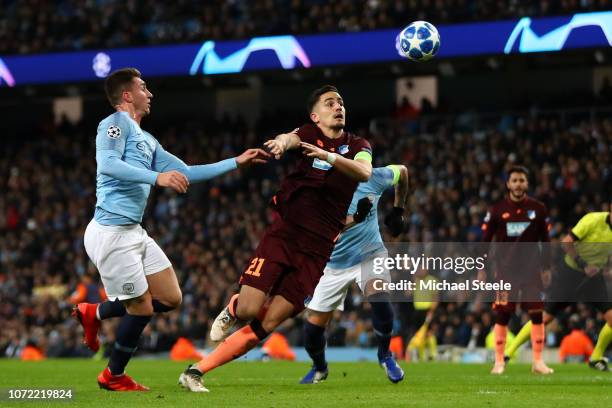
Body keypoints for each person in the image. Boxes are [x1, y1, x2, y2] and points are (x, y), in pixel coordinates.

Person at [74, 67, 268, 391]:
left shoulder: (148, 141)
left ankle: (95, 312)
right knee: (142, 308)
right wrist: (156, 178)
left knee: (170, 297)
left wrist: (236, 161)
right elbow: (107, 164)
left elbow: (188, 171)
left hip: (133, 232)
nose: (149, 93)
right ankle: (113, 376)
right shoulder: (112, 124)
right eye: (143, 87)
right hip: (110, 232)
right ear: (127, 95)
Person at [178, 85, 373, 392]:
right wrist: (281, 145)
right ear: (315, 115)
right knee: (247, 311)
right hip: (285, 235)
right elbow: (290, 138)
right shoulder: (309, 133)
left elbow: (364, 173)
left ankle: (195, 371)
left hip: (316, 253)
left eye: (341, 102)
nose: (338, 107)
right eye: (330, 103)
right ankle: (233, 307)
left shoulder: (358, 144)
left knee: (267, 324)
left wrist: (328, 158)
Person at [300, 163, 409, 384]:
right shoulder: (318, 192)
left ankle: (385, 355)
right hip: (333, 264)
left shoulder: (372, 177)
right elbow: (323, 230)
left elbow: (403, 172)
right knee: (311, 331)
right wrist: (357, 218)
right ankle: (320, 367)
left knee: (381, 302)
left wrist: (398, 210)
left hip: (370, 253)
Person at [505, 204, 612, 372]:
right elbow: (566, 243)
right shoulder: (592, 220)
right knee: (545, 317)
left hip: (593, 277)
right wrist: (583, 264)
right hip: (570, 273)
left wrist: (606, 270)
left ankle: (596, 358)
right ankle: (508, 352)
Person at [480, 166, 554, 375]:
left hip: (532, 271)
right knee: (503, 315)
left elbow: (546, 241)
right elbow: (485, 241)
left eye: (522, 180)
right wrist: (482, 268)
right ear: (508, 184)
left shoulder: (538, 209)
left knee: (537, 314)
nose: (518, 184)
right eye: (514, 180)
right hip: (505, 272)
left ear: (527, 184)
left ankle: (538, 362)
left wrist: (547, 268)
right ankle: (499, 362)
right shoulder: (497, 209)